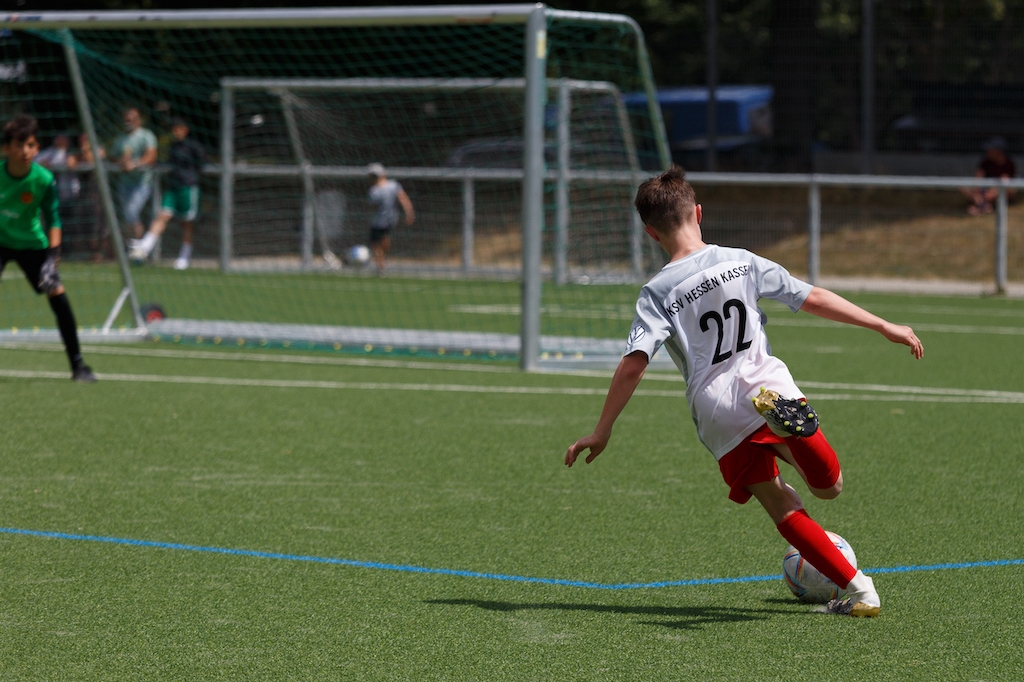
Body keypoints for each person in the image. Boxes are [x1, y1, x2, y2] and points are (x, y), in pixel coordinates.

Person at [564, 166, 923, 618]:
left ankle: (861, 590)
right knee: (830, 488)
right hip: (767, 384)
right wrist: (882, 324)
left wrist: (602, 430)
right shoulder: (741, 261)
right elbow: (810, 297)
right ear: (698, 212)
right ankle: (794, 435)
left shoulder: (656, 292)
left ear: (650, 233)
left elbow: (634, 363)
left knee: (781, 503)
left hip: (717, 409)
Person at [1, 114, 96, 382]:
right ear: (6, 148)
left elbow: (54, 220)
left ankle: (78, 366)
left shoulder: (43, 179)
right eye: (19, 145)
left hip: (32, 244)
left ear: (37, 147)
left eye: (30, 145)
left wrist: (52, 259)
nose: (25, 151)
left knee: (58, 296)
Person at [128, 118, 207, 269]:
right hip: (173, 188)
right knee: (162, 216)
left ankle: (184, 256)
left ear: (185, 130)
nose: (175, 131)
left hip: (188, 188)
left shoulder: (193, 146)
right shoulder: (174, 146)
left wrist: (190, 174)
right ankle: (144, 248)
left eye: (178, 128)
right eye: (174, 128)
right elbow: (169, 163)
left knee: (187, 223)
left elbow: (202, 163)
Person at [112, 107, 157, 240]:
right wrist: (121, 161)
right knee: (128, 216)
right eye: (126, 119)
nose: (128, 121)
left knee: (132, 212)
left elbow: (151, 156)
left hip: (142, 183)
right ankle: (131, 245)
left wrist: (135, 164)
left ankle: (137, 244)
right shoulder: (121, 138)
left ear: (138, 120)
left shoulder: (146, 135)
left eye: (131, 119)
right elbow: (112, 157)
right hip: (124, 183)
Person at [366, 162, 414, 274]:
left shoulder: (390, 186)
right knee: (377, 243)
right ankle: (381, 265)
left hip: (386, 220)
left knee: (380, 242)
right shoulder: (374, 190)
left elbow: (402, 198)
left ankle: (381, 264)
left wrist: (409, 212)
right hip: (379, 220)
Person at [962, 136, 1016, 215]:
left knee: (1010, 190)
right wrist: (978, 191)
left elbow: (1005, 180)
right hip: (983, 190)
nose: (987, 151)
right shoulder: (985, 162)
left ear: (998, 151)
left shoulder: (1008, 163)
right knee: (964, 187)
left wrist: (991, 193)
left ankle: (982, 207)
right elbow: (978, 177)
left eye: (990, 149)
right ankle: (983, 206)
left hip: (996, 190)